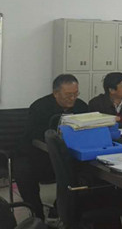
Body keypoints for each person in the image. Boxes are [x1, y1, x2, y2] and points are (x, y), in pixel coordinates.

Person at [14, 74, 89, 219]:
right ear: (55, 93)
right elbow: (34, 136)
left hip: (68, 155)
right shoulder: (39, 107)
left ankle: (61, 209)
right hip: (38, 155)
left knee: (88, 171)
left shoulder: (81, 106)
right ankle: (37, 215)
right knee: (23, 170)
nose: (73, 98)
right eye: (68, 95)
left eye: (76, 94)